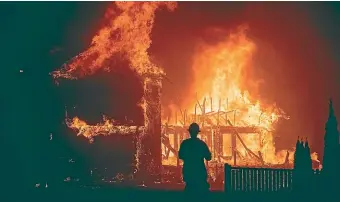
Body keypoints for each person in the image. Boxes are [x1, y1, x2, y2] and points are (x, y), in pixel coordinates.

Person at [178, 123, 212, 192]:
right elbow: (208, 157)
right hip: (200, 173)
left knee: (189, 193)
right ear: (197, 132)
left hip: (188, 172)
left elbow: (180, 155)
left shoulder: (185, 144)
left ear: (190, 132)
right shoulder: (201, 144)